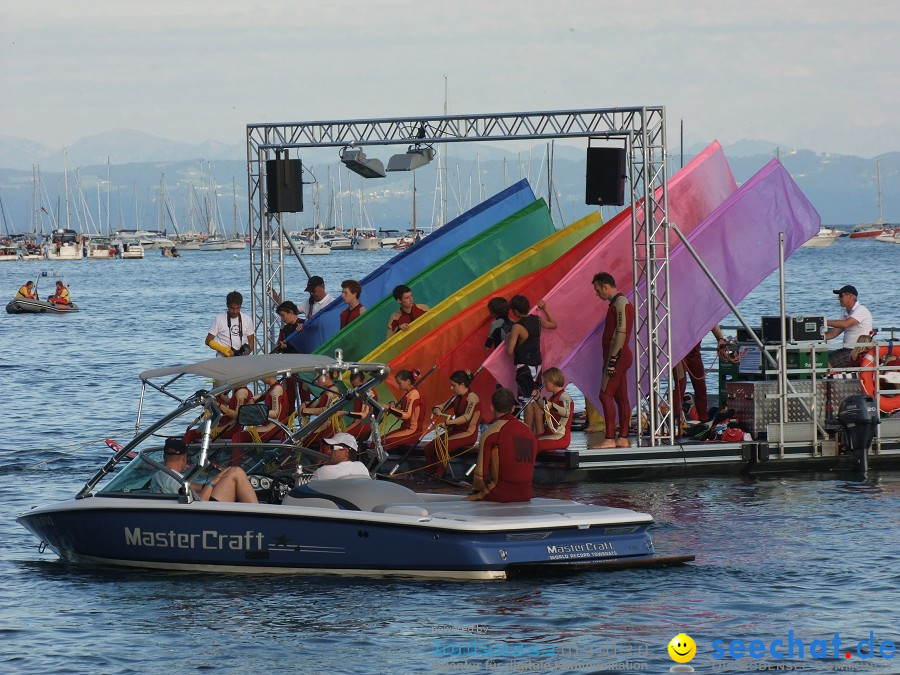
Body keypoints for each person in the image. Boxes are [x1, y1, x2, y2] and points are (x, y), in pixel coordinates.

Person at [466, 388, 537, 503]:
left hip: (500, 494)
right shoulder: (528, 431)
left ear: (492, 407)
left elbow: (480, 476)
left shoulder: (490, 433)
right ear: (513, 408)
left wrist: (475, 490)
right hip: (526, 494)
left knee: (463, 501)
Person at [590, 272, 633, 449]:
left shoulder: (621, 303)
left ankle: (609, 438)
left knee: (605, 394)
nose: (597, 294)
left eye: (597, 290)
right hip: (618, 356)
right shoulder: (616, 304)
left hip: (619, 356)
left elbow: (621, 331)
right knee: (621, 397)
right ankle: (622, 438)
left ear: (605, 287)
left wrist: (613, 360)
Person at [505, 294, 557, 434]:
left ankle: (527, 434)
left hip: (524, 368)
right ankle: (539, 433)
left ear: (515, 311)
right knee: (536, 399)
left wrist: (508, 337)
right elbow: (553, 324)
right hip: (537, 365)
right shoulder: (537, 320)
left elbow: (509, 351)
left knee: (527, 401)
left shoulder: (517, 327)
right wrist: (545, 308)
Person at [150, 438, 258, 503]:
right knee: (236, 472)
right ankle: (257, 516)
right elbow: (201, 501)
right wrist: (212, 482)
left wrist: (204, 486)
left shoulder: (160, 476)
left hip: (181, 512)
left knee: (229, 474)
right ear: (184, 457)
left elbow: (184, 486)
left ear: (164, 457)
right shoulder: (174, 479)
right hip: (202, 513)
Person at [423, 370, 481, 478]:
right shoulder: (456, 396)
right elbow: (442, 406)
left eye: (453, 385)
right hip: (455, 431)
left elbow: (466, 417)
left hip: (468, 433)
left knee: (442, 446)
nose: (451, 388)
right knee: (428, 448)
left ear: (462, 384)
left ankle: (439, 474)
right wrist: (436, 409)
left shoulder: (472, 397)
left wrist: (448, 422)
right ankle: (430, 472)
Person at [672, 325, 727, 426]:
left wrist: (720, 338)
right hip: (678, 352)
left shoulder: (698, 310)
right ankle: (676, 418)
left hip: (694, 352)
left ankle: (703, 419)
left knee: (700, 385)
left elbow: (711, 319)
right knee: (681, 384)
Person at [826, 284, 874, 367]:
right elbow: (833, 333)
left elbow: (846, 324)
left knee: (826, 361)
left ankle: (827, 378)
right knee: (821, 356)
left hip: (857, 350)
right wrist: (813, 336)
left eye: (841, 295)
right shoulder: (845, 313)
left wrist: (823, 321)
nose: (838, 298)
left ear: (850, 296)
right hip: (847, 349)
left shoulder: (861, 309)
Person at [232, 375, 289, 444]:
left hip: (274, 429)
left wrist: (255, 412)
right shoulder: (273, 388)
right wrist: (252, 399)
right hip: (274, 427)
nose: (260, 379)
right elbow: (263, 395)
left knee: (237, 437)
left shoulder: (276, 390)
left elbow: (275, 413)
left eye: (262, 376)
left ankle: (237, 455)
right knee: (242, 434)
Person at [383, 369, 427, 451]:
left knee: (383, 441)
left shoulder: (413, 394)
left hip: (413, 431)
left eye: (399, 383)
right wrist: (392, 406)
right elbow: (403, 409)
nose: (398, 386)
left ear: (408, 381)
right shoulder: (409, 393)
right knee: (379, 440)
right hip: (405, 428)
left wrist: (390, 409)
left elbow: (406, 416)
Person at [299, 370, 343, 449]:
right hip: (325, 425)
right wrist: (305, 404)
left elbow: (328, 409)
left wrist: (307, 411)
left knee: (301, 440)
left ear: (326, 375)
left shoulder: (332, 390)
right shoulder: (328, 390)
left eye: (317, 377)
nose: (316, 380)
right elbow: (321, 404)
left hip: (327, 427)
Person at [206, 290, 256, 357]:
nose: (235, 311)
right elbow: (208, 340)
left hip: (243, 359)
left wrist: (246, 352)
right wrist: (223, 349)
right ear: (227, 305)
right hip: (223, 358)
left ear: (241, 305)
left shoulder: (247, 319)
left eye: (237, 308)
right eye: (232, 308)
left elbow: (251, 342)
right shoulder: (219, 319)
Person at [536, 367, 574, 453]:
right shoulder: (553, 396)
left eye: (546, 381)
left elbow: (567, 413)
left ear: (552, 381)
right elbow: (547, 408)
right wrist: (538, 399)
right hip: (551, 434)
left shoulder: (564, 396)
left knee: (533, 443)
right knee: (528, 440)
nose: (544, 384)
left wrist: (553, 405)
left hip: (560, 437)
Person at [336, 371, 377, 445]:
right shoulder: (357, 392)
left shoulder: (369, 392)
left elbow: (363, 415)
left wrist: (345, 413)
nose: (357, 389)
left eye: (359, 386)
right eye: (354, 387)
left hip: (364, 425)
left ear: (364, 381)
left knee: (339, 438)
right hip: (358, 423)